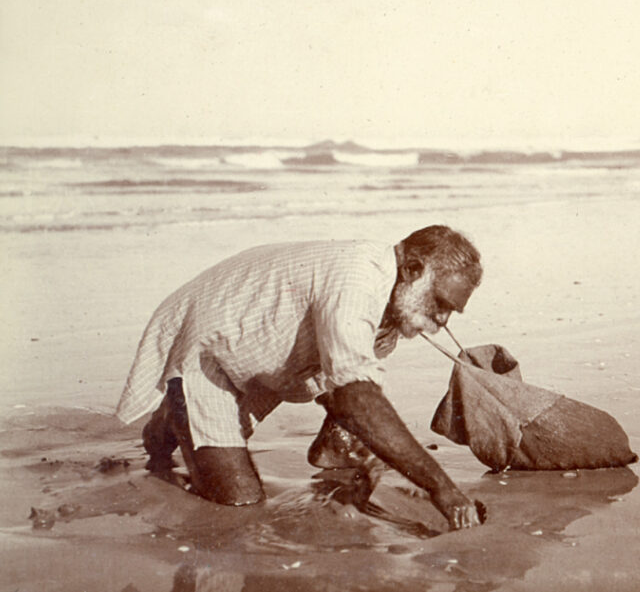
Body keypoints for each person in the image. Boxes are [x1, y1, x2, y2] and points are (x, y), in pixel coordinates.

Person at [114, 225, 484, 530]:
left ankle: (175, 422)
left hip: (263, 356)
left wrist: (344, 439)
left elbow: (344, 382)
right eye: (440, 304)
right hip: (209, 350)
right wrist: (442, 488)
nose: (442, 321)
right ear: (413, 269)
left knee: (354, 403)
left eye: (451, 313)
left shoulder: (393, 303)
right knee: (239, 501)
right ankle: (171, 418)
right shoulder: (358, 280)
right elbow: (357, 397)